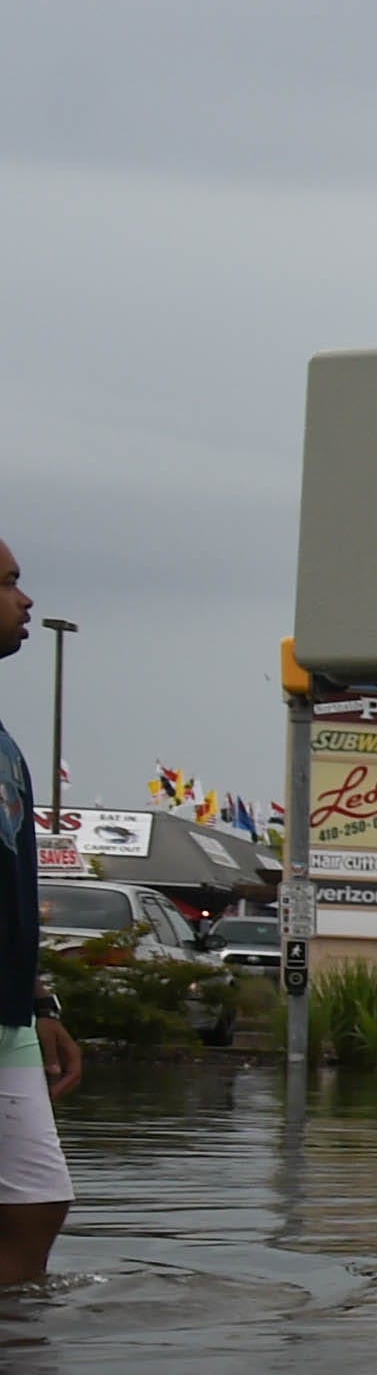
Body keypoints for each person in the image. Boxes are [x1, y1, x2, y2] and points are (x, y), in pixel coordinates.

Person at [0, 533, 80, 1285]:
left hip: (7, 1015)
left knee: (37, 1200)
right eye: (8, 584)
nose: (25, 602)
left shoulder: (6, 747)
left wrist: (37, 999)